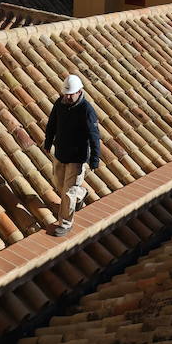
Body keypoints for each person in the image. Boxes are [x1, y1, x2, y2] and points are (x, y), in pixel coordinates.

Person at [43, 74, 101, 237]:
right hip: (60, 153)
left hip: (77, 158)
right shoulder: (59, 103)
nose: (67, 96)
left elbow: (94, 136)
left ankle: (65, 224)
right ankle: (81, 193)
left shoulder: (87, 110)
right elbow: (52, 123)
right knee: (60, 186)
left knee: (68, 193)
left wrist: (95, 159)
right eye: (65, 93)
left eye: (71, 94)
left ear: (80, 91)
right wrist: (48, 142)